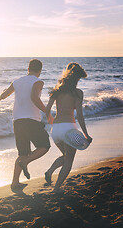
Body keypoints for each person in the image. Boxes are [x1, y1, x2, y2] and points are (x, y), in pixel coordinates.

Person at [0, 59, 51, 191]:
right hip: (31, 119)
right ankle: (25, 162)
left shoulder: (17, 81)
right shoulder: (38, 82)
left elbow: (3, 95)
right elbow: (34, 98)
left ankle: (15, 182)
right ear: (40, 70)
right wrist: (47, 112)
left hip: (17, 120)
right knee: (44, 145)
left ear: (28, 69)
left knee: (23, 153)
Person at [44, 62, 92, 193]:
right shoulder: (77, 93)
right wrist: (86, 135)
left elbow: (47, 109)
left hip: (55, 130)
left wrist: (50, 121)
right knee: (69, 160)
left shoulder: (57, 90)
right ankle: (56, 189)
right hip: (68, 129)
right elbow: (80, 116)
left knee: (66, 156)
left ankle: (49, 171)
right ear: (76, 78)